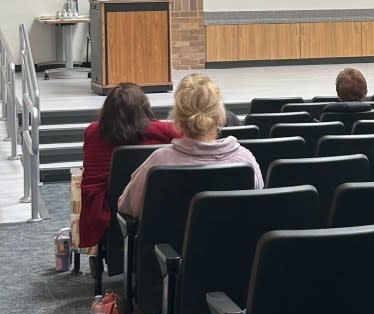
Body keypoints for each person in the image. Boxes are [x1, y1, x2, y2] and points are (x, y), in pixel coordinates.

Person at [118, 74, 263, 218]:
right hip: (231, 241)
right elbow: (256, 203)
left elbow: (128, 206)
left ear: (178, 120)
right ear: (219, 118)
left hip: (171, 241)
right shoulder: (244, 158)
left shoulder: (159, 161)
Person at [79, 83, 182, 249]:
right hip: (150, 204)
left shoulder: (92, 133)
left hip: (106, 206)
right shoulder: (164, 131)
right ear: (144, 108)